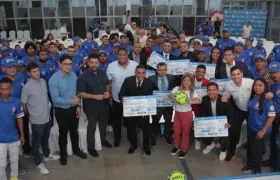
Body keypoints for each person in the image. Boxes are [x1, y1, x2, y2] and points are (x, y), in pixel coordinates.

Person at [21, 62, 60, 175]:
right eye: (34, 71)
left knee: (45, 138)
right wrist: (32, 114)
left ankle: (47, 155)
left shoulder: (43, 82)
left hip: (47, 117)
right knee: (36, 143)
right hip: (37, 120)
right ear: (29, 73)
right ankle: (38, 163)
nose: (37, 73)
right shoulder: (27, 87)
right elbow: (23, 104)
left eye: (38, 70)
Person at [48, 54, 87, 166]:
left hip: (74, 109)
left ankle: (76, 150)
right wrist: (70, 101)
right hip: (61, 111)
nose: (68, 66)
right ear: (60, 64)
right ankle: (63, 154)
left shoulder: (74, 75)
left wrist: (78, 105)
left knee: (74, 131)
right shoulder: (54, 79)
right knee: (63, 133)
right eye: (65, 64)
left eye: (70, 64)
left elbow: (77, 93)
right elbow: (55, 99)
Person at [77, 55, 113, 158]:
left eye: (96, 62)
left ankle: (103, 140)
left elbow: (107, 84)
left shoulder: (102, 73)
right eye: (91, 62)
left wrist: (107, 93)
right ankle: (91, 147)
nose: (94, 65)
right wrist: (94, 96)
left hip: (103, 105)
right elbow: (81, 93)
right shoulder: (83, 77)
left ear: (98, 63)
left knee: (103, 125)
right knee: (92, 127)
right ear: (88, 63)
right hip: (91, 107)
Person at [118, 65, 156, 155]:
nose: (140, 75)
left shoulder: (149, 82)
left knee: (146, 129)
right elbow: (120, 95)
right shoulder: (128, 81)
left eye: (143, 73)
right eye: (138, 73)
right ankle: (133, 145)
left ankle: (146, 146)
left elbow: (155, 95)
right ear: (135, 73)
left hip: (144, 111)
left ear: (145, 74)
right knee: (131, 129)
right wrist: (123, 99)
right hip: (131, 111)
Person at [106, 48, 138, 147]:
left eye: (124, 54)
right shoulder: (111, 66)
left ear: (127, 54)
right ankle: (117, 138)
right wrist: (110, 97)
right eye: (120, 54)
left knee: (130, 122)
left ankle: (131, 138)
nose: (122, 56)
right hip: (116, 99)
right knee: (116, 121)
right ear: (116, 55)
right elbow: (109, 83)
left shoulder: (135, 65)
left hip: (131, 100)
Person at [243, 78, 275, 174]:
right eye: (256, 85)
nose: (257, 87)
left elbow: (271, 117)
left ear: (265, 86)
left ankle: (257, 171)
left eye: (260, 85)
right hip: (251, 128)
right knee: (250, 148)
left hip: (261, 131)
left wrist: (263, 130)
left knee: (256, 151)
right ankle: (250, 164)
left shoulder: (267, 100)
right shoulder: (253, 97)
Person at [169, 73, 201, 159]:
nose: (186, 82)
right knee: (176, 131)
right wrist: (174, 95)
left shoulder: (192, 91)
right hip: (177, 113)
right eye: (185, 80)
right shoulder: (177, 88)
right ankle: (176, 146)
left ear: (191, 82)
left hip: (187, 114)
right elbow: (170, 96)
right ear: (182, 81)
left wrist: (189, 101)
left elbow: (198, 100)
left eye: (189, 81)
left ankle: (184, 149)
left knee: (185, 133)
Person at [200, 82, 233, 160]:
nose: (211, 92)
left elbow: (231, 115)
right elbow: (202, 113)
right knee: (201, 132)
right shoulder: (205, 99)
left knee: (224, 139)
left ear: (218, 91)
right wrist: (198, 125)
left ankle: (223, 150)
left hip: (223, 124)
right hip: (210, 123)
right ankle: (211, 144)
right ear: (207, 91)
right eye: (209, 90)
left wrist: (229, 123)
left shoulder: (224, 100)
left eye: (214, 90)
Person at [0, 77, 24, 180]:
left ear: (11, 89)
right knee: (2, 164)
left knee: (14, 160)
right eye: (1, 89)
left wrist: (22, 134)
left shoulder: (16, 102)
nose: (4, 91)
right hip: (0, 140)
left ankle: (14, 178)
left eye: (6, 89)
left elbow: (19, 118)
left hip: (14, 137)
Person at [149, 62, 177, 146]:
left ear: (167, 70)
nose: (162, 72)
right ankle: (154, 137)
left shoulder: (172, 78)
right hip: (157, 105)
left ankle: (167, 135)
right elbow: (149, 90)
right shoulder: (151, 78)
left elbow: (175, 89)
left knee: (168, 120)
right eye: (160, 70)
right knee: (155, 121)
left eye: (164, 70)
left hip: (168, 104)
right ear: (157, 70)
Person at [263, 61, 280, 171]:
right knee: (272, 141)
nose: (274, 75)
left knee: (278, 142)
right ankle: (272, 160)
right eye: (272, 72)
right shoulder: (273, 86)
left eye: (276, 72)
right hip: (274, 117)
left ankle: (277, 168)